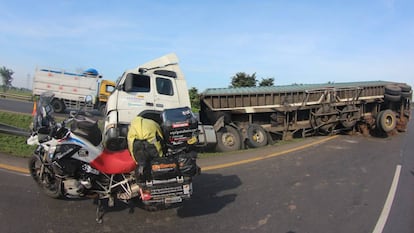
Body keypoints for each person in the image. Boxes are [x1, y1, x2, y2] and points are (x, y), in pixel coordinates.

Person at [127, 116, 164, 182]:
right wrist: (162, 152)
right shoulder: (152, 123)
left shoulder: (131, 129)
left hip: (138, 150)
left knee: (142, 165)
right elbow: (161, 136)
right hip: (153, 147)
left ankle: (143, 177)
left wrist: (136, 161)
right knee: (157, 162)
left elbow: (130, 146)